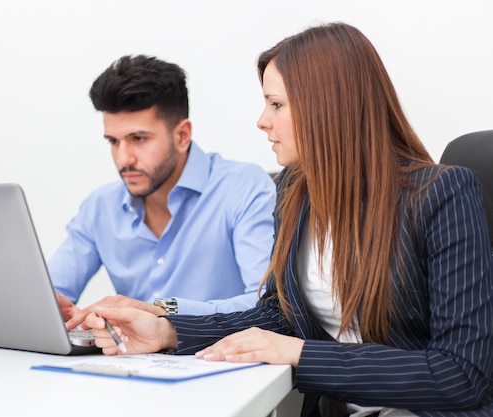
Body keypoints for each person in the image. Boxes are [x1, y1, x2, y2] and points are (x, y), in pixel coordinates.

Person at [84, 23, 493, 417]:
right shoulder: (295, 188)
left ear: (330, 108)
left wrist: (299, 354)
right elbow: (280, 314)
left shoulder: (443, 194)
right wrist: (167, 331)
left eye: (276, 104)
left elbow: (461, 373)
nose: (262, 121)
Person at [49, 55, 276, 329]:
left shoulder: (242, 187)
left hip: (222, 360)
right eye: (113, 141)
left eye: (139, 139)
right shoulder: (100, 206)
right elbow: (52, 294)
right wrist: (51, 311)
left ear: (182, 136)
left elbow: (265, 302)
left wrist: (161, 311)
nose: (123, 159)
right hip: (128, 363)